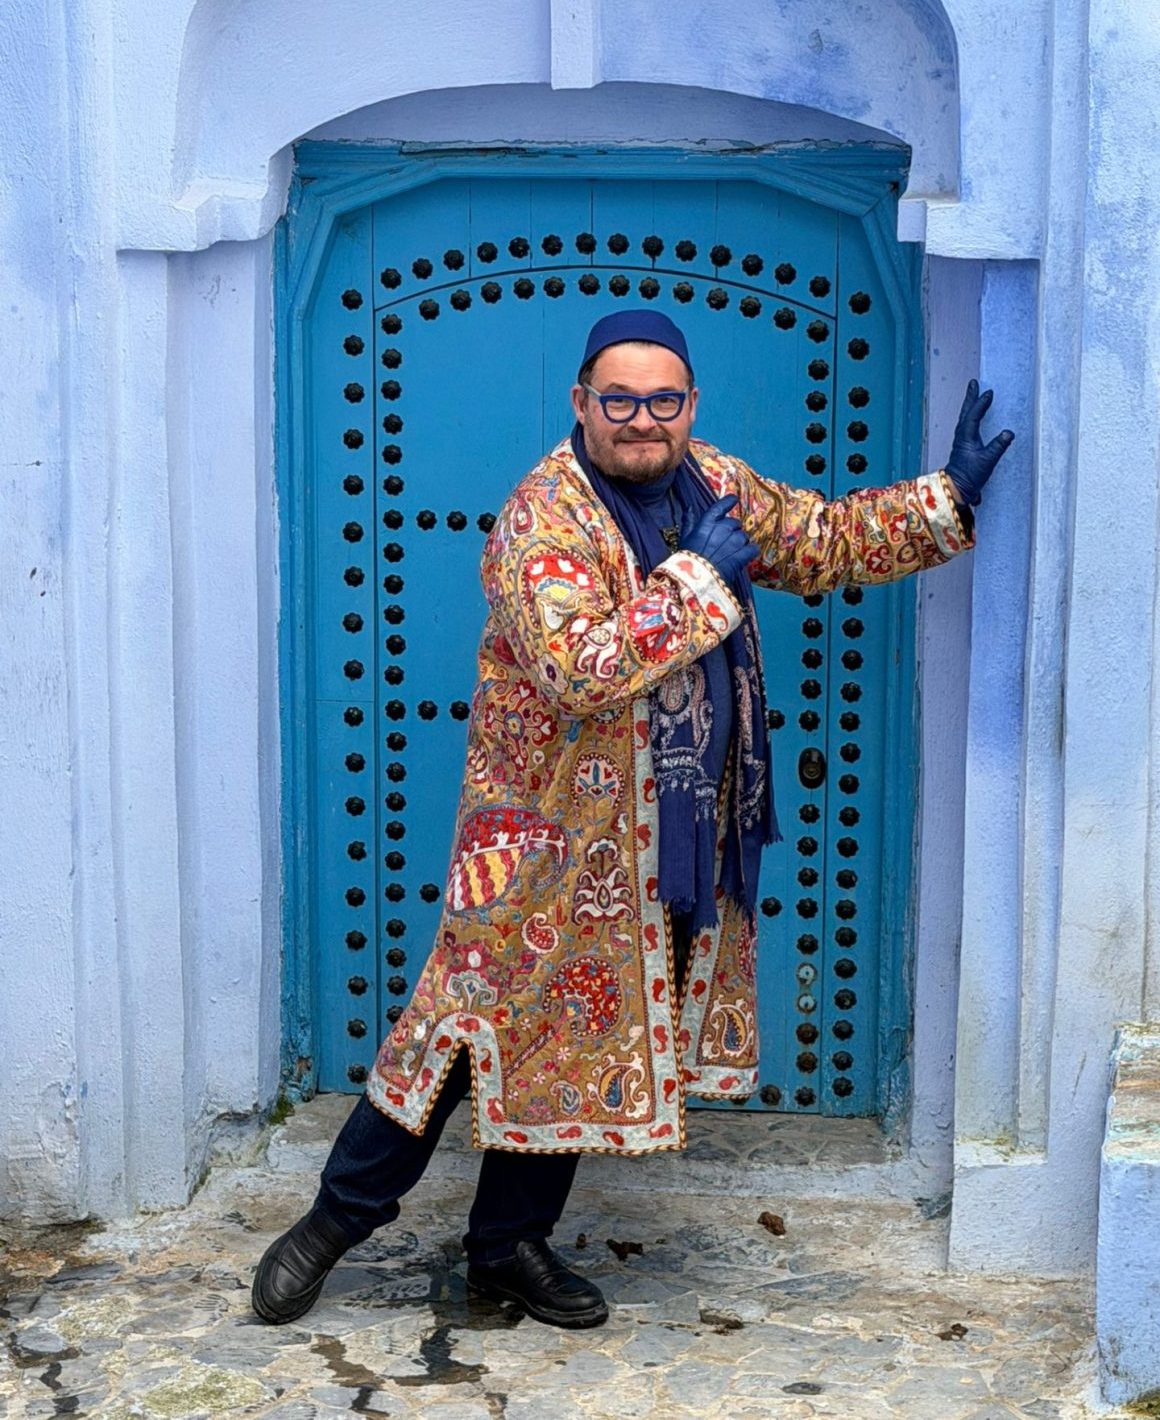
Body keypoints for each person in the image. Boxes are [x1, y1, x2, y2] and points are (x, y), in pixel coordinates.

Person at [252, 308, 1013, 1330]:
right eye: (619, 399)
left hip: (659, 833)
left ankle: (505, 1245)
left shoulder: (719, 484)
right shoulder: (543, 518)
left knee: (580, 1032)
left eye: (662, 399)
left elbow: (818, 539)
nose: (642, 420)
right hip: (537, 840)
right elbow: (581, 669)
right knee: (457, 1031)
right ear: (581, 403)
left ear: (689, 404)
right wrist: (697, 574)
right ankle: (329, 1226)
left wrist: (942, 497)